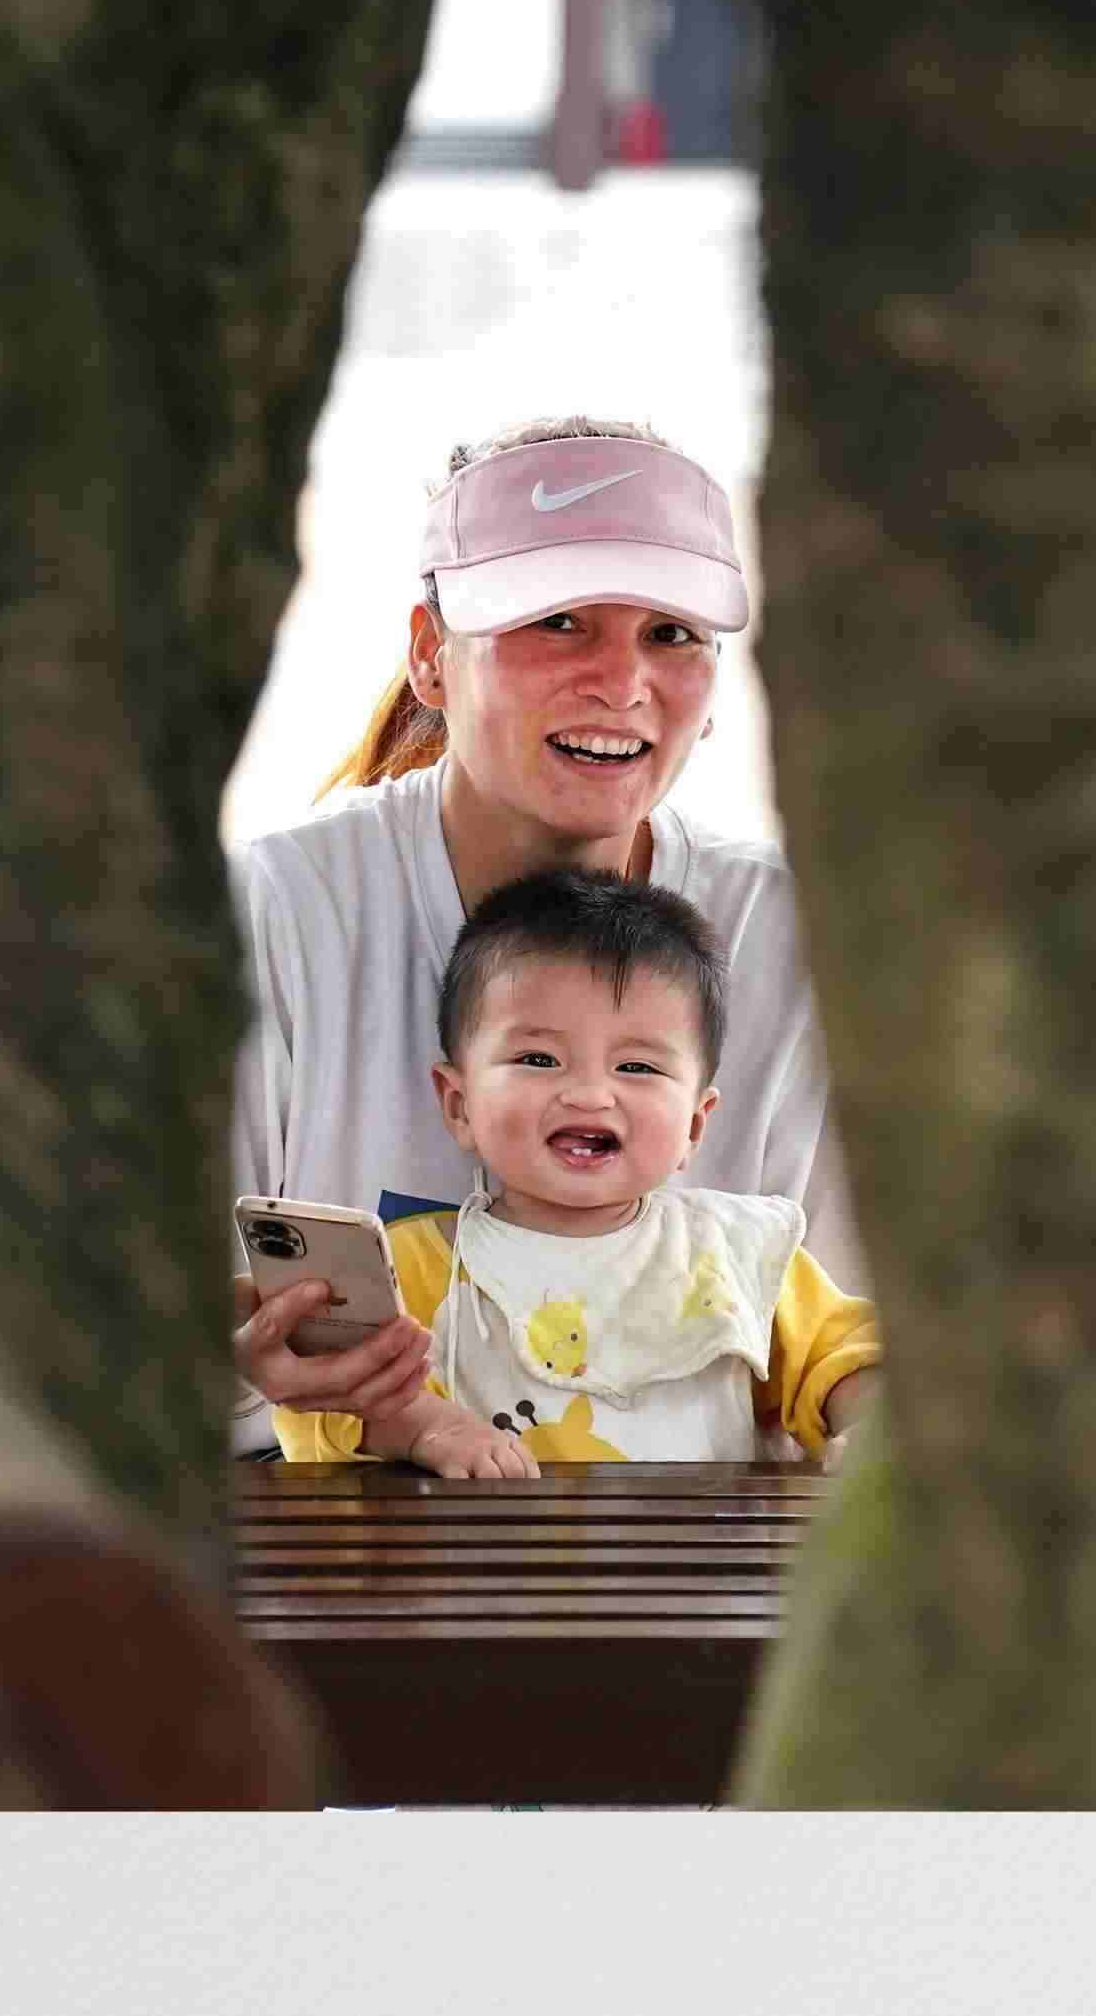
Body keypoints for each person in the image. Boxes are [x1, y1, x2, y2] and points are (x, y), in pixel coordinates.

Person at [223, 417, 861, 1454]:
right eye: (558, 621)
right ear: (430, 656)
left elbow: (862, 1355)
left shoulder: (797, 942)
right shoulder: (273, 916)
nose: (622, 682)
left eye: (672, 634)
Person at [265, 868, 880, 1474]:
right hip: (484, 1546)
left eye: (636, 1067)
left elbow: (845, 1358)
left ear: (695, 1124)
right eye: (539, 1058)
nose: (588, 1095)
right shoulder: (415, 1268)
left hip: (705, 1545)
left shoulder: (741, 1253)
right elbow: (327, 1407)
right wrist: (425, 1426)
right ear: (459, 1104)